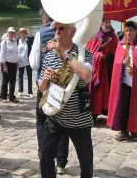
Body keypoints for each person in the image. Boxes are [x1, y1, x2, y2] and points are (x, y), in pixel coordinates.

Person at [38, 21, 94, 178]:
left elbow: (86, 75)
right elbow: (42, 88)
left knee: (85, 161)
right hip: (55, 115)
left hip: (78, 117)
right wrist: (45, 79)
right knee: (45, 156)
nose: (57, 32)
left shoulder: (84, 53)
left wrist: (63, 53)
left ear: (73, 31)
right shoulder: (49, 55)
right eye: (54, 29)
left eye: (61, 28)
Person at [29, 8, 69, 175]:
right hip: (65, 84)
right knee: (62, 122)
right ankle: (61, 162)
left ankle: (43, 154)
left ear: (45, 18)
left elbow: (34, 63)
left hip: (45, 84)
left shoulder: (40, 33)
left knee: (41, 120)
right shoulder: (68, 30)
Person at [86, 19, 118, 122]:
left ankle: (107, 110)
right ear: (101, 23)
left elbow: (117, 49)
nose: (108, 24)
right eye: (106, 22)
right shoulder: (95, 36)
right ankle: (94, 113)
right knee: (97, 91)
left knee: (110, 89)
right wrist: (99, 56)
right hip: (98, 68)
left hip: (110, 65)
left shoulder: (113, 36)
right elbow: (89, 52)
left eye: (109, 22)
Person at [0, 27, 19, 103]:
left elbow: (16, 53)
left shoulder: (15, 42)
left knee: (13, 81)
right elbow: (1, 55)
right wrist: (4, 66)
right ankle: (3, 97)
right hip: (6, 63)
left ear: (14, 34)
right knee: (5, 80)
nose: (11, 34)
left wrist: (17, 63)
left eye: (13, 33)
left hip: (14, 63)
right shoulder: (4, 42)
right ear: (7, 33)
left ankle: (11, 97)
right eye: (10, 33)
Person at [17, 28, 34, 98]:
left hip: (28, 61)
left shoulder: (29, 40)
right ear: (20, 34)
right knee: (20, 76)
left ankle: (30, 92)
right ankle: (20, 90)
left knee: (29, 77)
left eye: (24, 32)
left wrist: (29, 33)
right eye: (21, 32)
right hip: (20, 61)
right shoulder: (17, 40)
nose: (23, 33)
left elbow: (34, 41)